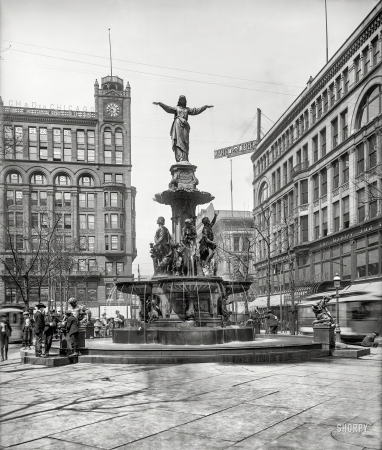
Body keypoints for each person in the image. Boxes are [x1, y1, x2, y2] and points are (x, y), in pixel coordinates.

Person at [153, 96, 213, 162]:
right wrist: (160, 104)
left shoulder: (187, 109)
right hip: (178, 124)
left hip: (185, 126)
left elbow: (196, 111)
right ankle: (180, 158)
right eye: (181, 100)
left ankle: (185, 158)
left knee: (185, 142)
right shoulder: (176, 108)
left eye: (184, 100)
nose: (182, 101)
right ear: (179, 101)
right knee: (178, 141)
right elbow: (168, 108)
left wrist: (205, 107)